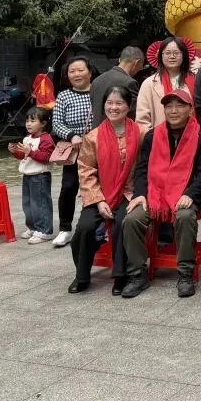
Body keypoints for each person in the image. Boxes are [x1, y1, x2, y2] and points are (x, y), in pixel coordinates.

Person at [121, 87, 201, 299]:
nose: (173, 110)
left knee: (185, 216)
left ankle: (185, 273)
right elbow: (142, 169)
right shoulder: (153, 136)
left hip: (187, 195)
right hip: (155, 194)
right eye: (168, 106)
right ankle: (137, 274)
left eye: (179, 105)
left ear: (190, 109)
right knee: (132, 219)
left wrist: (191, 193)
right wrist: (140, 194)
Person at [67, 86, 144, 294]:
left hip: (129, 193)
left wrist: (139, 194)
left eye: (119, 103)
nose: (114, 107)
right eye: (110, 103)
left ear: (128, 106)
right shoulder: (93, 137)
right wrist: (99, 201)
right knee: (85, 227)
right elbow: (86, 171)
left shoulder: (141, 133)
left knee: (122, 222)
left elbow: (145, 168)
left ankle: (121, 275)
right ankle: (82, 275)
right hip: (100, 194)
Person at [51, 57, 96, 248]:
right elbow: (56, 123)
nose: (76, 74)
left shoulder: (98, 91)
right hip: (74, 148)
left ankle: (98, 227)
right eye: (72, 71)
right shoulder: (63, 96)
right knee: (69, 187)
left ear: (90, 72)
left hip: (97, 147)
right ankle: (65, 228)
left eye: (80, 70)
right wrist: (72, 135)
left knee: (98, 186)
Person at [9, 106, 55, 244]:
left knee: (40, 204)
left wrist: (30, 152)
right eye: (27, 121)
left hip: (40, 176)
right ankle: (32, 227)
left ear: (43, 123)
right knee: (27, 203)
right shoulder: (27, 138)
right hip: (27, 175)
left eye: (33, 121)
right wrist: (15, 152)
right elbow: (23, 156)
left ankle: (44, 230)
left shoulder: (46, 139)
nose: (28, 124)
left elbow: (46, 157)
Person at [137, 37, 197, 132]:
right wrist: (154, 138)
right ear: (160, 56)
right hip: (159, 137)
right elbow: (142, 121)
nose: (172, 56)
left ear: (184, 55)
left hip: (192, 136)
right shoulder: (149, 83)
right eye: (167, 53)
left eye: (176, 53)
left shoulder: (195, 80)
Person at [90, 46, 144, 127]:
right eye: (141, 66)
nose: (139, 70)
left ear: (119, 60)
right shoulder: (129, 83)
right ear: (137, 62)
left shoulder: (96, 81)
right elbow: (133, 114)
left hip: (96, 131)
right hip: (117, 132)